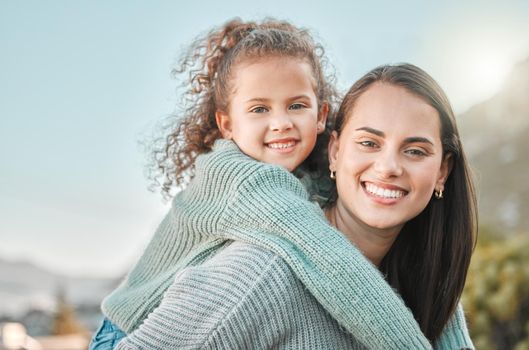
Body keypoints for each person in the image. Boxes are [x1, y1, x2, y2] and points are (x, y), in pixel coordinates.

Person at [89, 19, 465, 349]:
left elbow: (441, 312)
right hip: (125, 326)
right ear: (227, 125)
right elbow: (335, 262)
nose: (282, 123)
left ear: (322, 119)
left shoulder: (315, 177)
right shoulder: (248, 192)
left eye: (296, 106)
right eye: (259, 109)